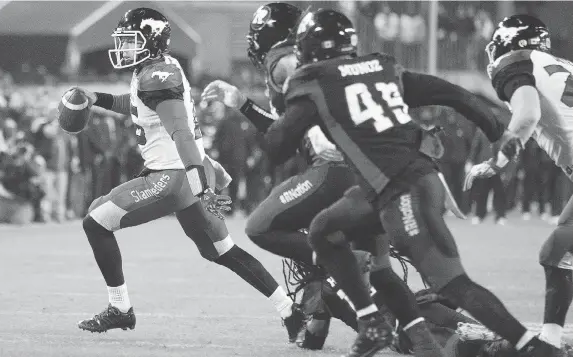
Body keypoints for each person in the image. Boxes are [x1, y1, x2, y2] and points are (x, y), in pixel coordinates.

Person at [261, 9, 560, 357]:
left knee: (453, 283)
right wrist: (496, 129)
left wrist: (275, 105)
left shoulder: (312, 81)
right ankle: (373, 323)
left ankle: (532, 347)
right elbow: (450, 92)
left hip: (400, 190)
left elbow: (277, 147)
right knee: (323, 229)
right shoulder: (380, 69)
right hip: (404, 181)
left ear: (308, 48)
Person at [202, 4, 449, 355]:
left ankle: (376, 313)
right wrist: (242, 103)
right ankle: (432, 341)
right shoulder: (324, 67)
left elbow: (294, 130)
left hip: (338, 169)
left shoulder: (286, 63)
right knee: (376, 274)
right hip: (371, 175)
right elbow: (284, 131)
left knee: (266, 230)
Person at [69, 8, 303, 341]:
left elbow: (180, 132)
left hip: (170, 177)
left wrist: (200, 184)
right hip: (186, 177)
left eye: (132, 42)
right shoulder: (155, 71)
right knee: (221, 250)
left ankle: (120, 308)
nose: (125, 49)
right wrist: (99, 98)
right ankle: (290, 311)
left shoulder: (156, 77)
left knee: (95, 221)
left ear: (151, 41)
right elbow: (136, 105)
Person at [465, 13, 573, 352]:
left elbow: (528, 114)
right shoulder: (560, 64)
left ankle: (548, 345)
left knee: (557, 251)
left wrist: (496, 164)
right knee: (560, 248)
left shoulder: (515, 63)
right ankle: (549, 342)